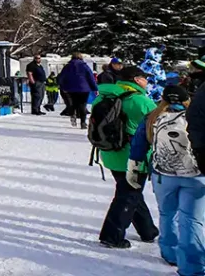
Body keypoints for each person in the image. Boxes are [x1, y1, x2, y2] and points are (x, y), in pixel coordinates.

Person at [130, 85, 200, 271]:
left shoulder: (152, 117)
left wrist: (134, 168)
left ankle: (170, 253)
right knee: (192, 219)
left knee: (167, 214)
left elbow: (138, 147)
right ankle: (191, 266)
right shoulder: (196, 117)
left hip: (163, 175)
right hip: (195, 175)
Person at [94, 66, 159, 249]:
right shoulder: (140, 101)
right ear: (137, 79)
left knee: (130, 191)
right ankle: (112, 235)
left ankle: (148, 231)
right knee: (128, 195)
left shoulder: (104, 96)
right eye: (145, 78)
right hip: (134, 155)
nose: (147, 82)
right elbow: (159, 125)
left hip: (110, 153)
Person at [59, 52, 99, 129]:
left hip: (70, 88)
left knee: (73, 103)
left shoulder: (67, 66)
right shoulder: (85, 66)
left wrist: (62, 86)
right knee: (82, 105)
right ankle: (83, 122)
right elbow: (90, 77)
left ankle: (72, 114)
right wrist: (94, 87)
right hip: (84, 89)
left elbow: (62, 77)